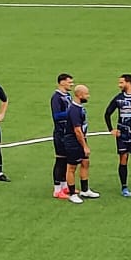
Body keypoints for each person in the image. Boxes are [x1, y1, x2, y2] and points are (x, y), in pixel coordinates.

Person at [50, 73, 85, 202]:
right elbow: (56, 115)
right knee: (60, 160)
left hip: (67, 134)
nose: (72, 84)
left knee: (66, 161)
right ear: (62, 82)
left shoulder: (68, 96)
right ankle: (57, 189)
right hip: (60, 134)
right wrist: (71, 112)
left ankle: (65, 187)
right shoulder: (56, 98)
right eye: (70, 82)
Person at [70, 84, 100, 199]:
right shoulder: (74, 110)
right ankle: (72, 194)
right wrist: (84, 146)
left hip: (81, 139)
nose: (88, 96)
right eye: (86, 94)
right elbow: (77, 130)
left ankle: (85, 190)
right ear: (79, 95)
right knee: (72, 167)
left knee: (85, 162)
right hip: (73, 142)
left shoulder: (79, 108)